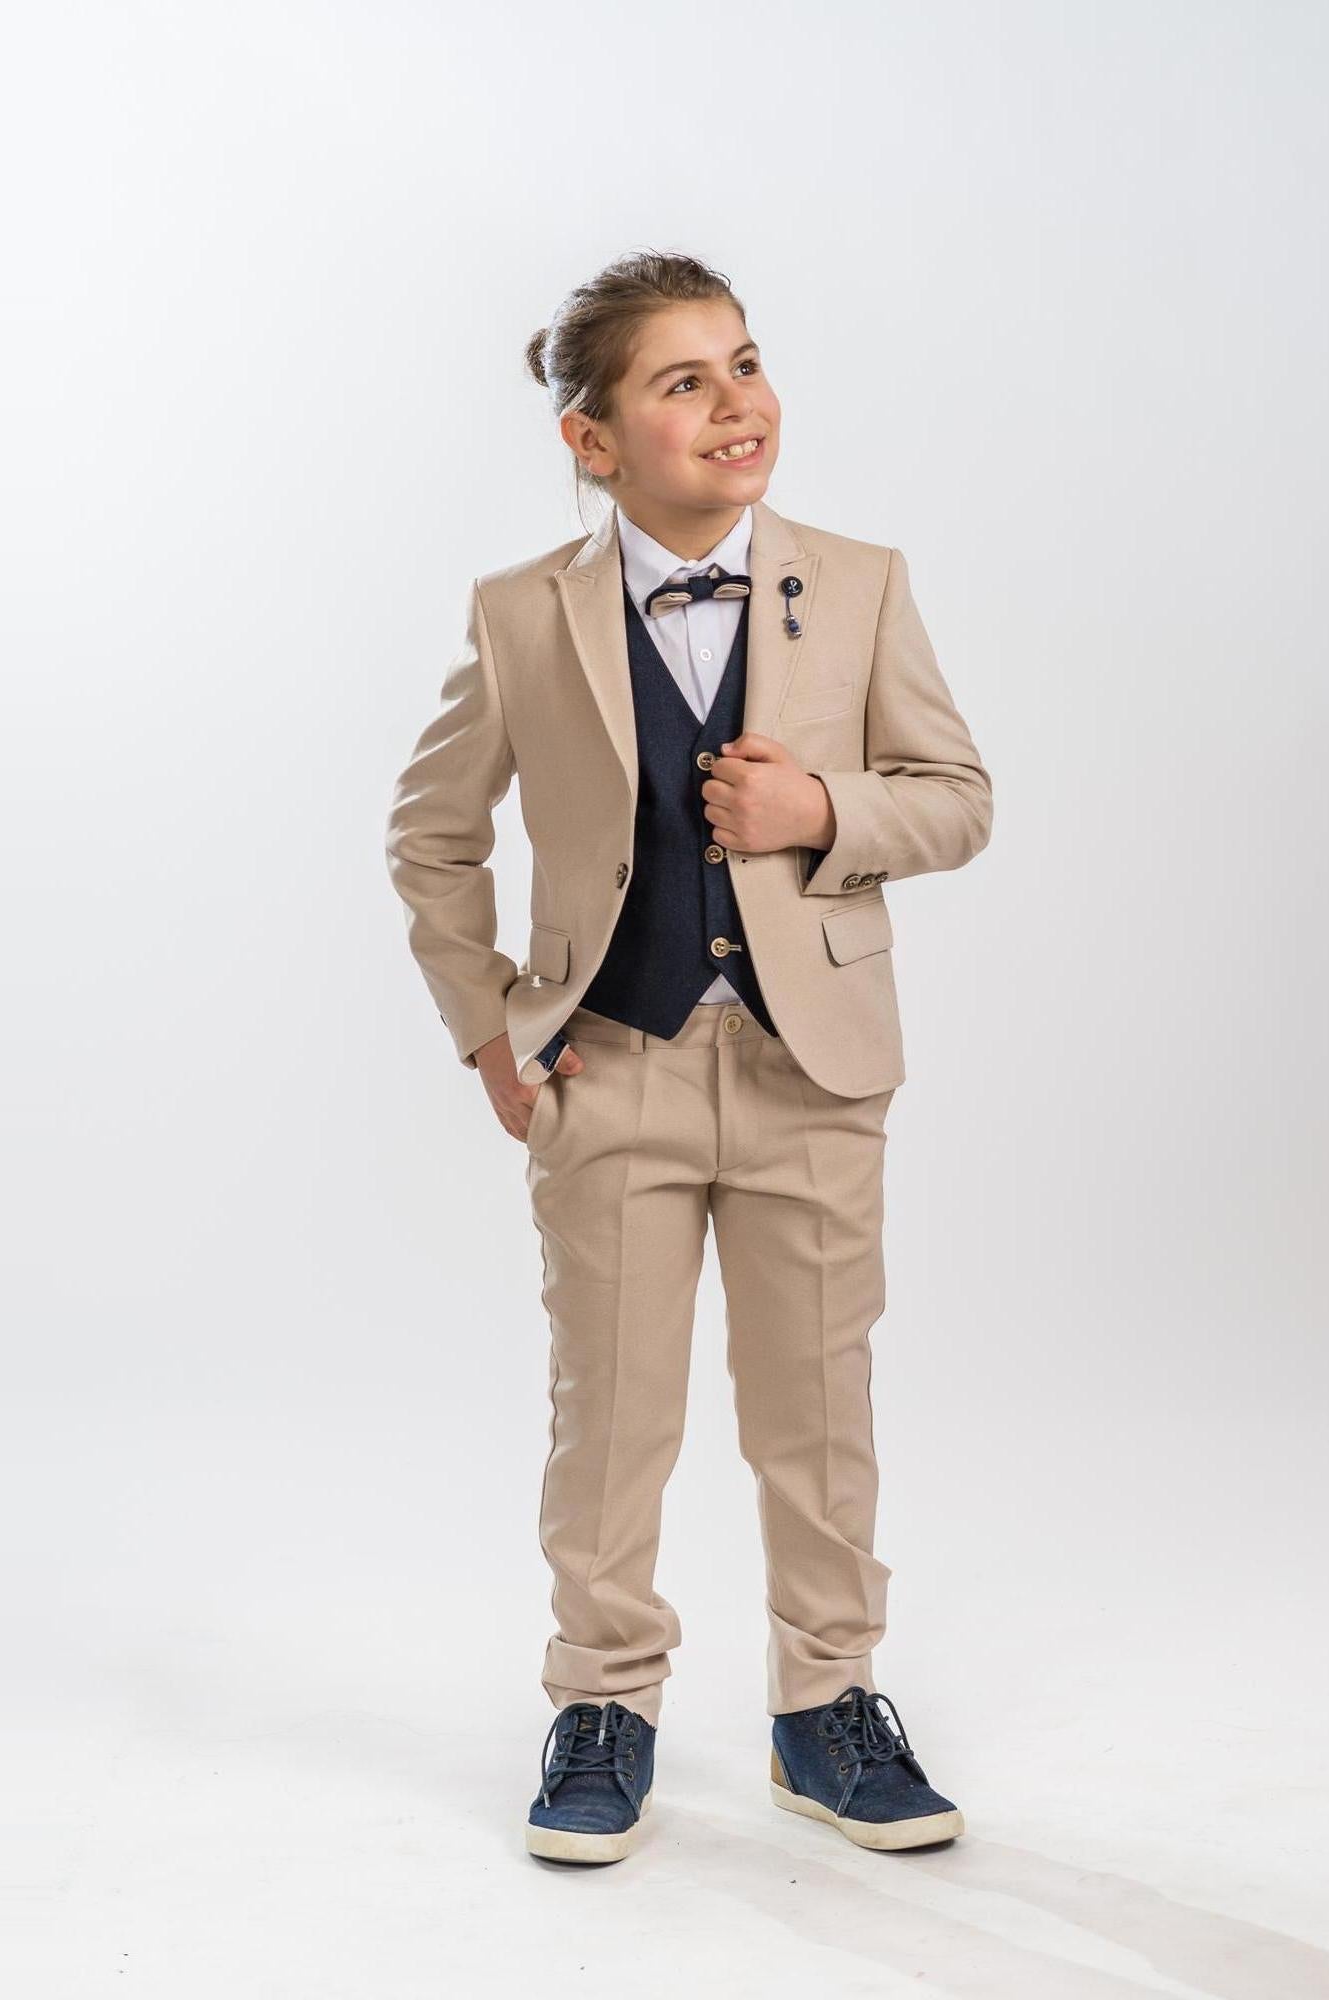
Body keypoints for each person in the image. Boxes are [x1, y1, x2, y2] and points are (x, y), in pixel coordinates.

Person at [384, 249, 994, 1866]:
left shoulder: (857, 580)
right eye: (685, 381)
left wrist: (825, 816)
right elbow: (431, 836)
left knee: (817, 1406)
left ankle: (827, 1706)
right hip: (615, 1070)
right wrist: (492, 1031)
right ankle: (603, 1705)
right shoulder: (526, 615)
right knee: (611, 1413)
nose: (739, 403)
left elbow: (957, 795)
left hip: (814, 1071)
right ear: (593, 443)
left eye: (747, 364)